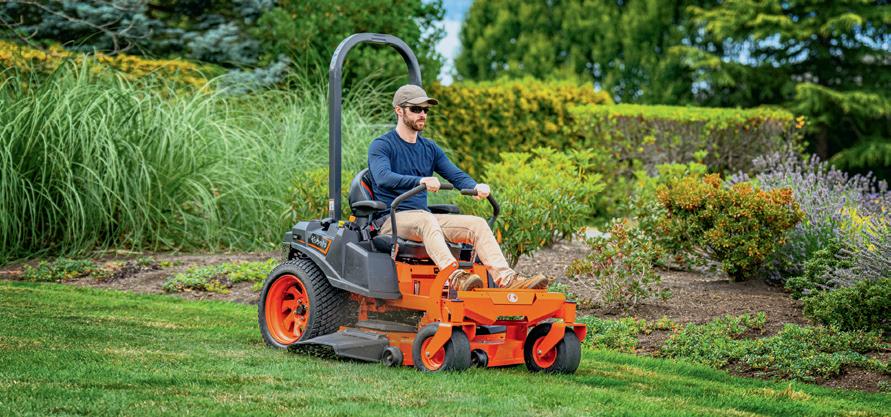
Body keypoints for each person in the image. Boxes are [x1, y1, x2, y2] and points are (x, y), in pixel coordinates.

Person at [367, 84, 548, 291]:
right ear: (399, 110)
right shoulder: (382, 145)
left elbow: (455, 174)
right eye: (416, 109)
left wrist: (475, 186)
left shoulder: (429, 148)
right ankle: (455, 277)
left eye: (426, 110)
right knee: (427, 220)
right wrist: (420, 181)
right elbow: (383, 177)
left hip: (424, 218)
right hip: (392, 218)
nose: (422, 114)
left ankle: (508, 280)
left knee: (477, 224)